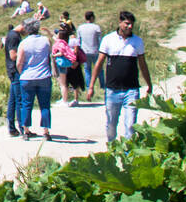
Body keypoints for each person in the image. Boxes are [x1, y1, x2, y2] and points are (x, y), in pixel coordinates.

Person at [86, 11, 153, 143]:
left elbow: (143, 65)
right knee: (111, 123)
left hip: (131, 90)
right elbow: (99, 63)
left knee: (130, 125)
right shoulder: (108, 39)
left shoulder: (137, 41)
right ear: (120, 22)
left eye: (131, 24)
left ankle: (129, 154)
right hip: (112, 90)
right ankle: (112, 147)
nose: (129, 27)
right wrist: (91, 86)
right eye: (127, 23)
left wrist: (149, 84)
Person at [16, 21, 54, 141]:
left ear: (27, 30)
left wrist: (22, 72)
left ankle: (26, 131)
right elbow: (50, 55)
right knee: (45, 105)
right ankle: (46, 132)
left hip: (27, 77)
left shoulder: (23, 43)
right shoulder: (46, 41)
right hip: (44, 75)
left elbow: (19, 62)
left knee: (26, 104)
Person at [51, 26, 83, 106]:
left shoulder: (61, 44)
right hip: (65, 63)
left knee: (63, 83)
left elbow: (61, 53)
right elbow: (53, 37)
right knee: (63, 83)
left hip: (61, 63)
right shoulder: (64, 42)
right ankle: (64, 99)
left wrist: (54, 55)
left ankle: (64, 101)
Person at [3, 22, 24, 136]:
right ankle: (23, 128)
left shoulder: (11, 35)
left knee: (13, 100)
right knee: (19, 99)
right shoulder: (14, 36)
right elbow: (13, 55)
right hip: (15, 70)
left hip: (11, 69)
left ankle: (12, 128)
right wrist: (25, 53)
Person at [77, 11, 104, 92]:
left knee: (87, 69)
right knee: (99, 69)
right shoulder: (96, 27)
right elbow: (100, 40)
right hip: (95, 51)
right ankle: (102, 85)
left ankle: (89, 87)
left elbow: (79, 40)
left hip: (85, 51)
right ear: (92, 17)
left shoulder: (80, 28)